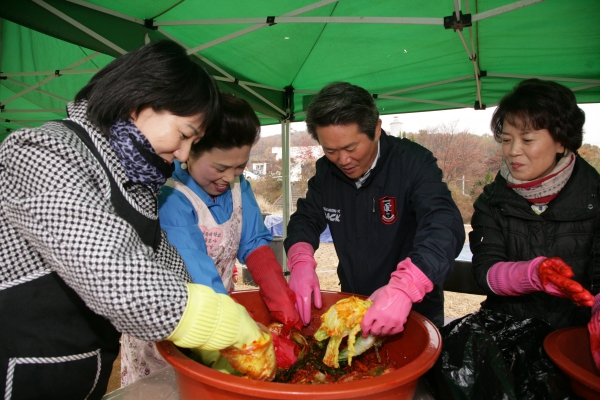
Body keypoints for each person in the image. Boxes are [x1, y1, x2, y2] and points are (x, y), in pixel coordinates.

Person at [0, 40, 274, 400]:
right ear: (138, 102)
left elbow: (167, 265)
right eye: (186, 135)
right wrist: (219, 321)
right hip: (18, 374)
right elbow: (112, 271)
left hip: (83, 374)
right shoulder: (43, 152)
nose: (183, 154)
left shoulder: (137, 183)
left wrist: (211, 348)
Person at [432, 78, 598, 398]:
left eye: (527, 138)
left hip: (573, 344)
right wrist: (533, 273)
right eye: (507, 139)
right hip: (504, 336)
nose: (513, 151)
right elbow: (485, 272)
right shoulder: (493, 200)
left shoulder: (595, 199)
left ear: (562, 141)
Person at [121, 93, 301, 384]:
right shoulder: (171, 197)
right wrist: (249, 338)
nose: (229, 178)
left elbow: (254, 243)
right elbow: (197, 274)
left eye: (239, 167)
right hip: (177, 325)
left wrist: (282, 299)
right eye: (219, 168)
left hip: (222, 317)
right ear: (189, 150)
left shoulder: (238, 187)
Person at [283, 81, 465, 334]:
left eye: (351, 147)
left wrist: (405, 287)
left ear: (376, 129)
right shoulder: (327, 171)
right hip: (353, 302)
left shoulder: (413, 163)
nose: (343, 160)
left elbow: (444, 225)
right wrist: (300, 261)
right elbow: (305, 219)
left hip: (412, 307)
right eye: (330, 150)